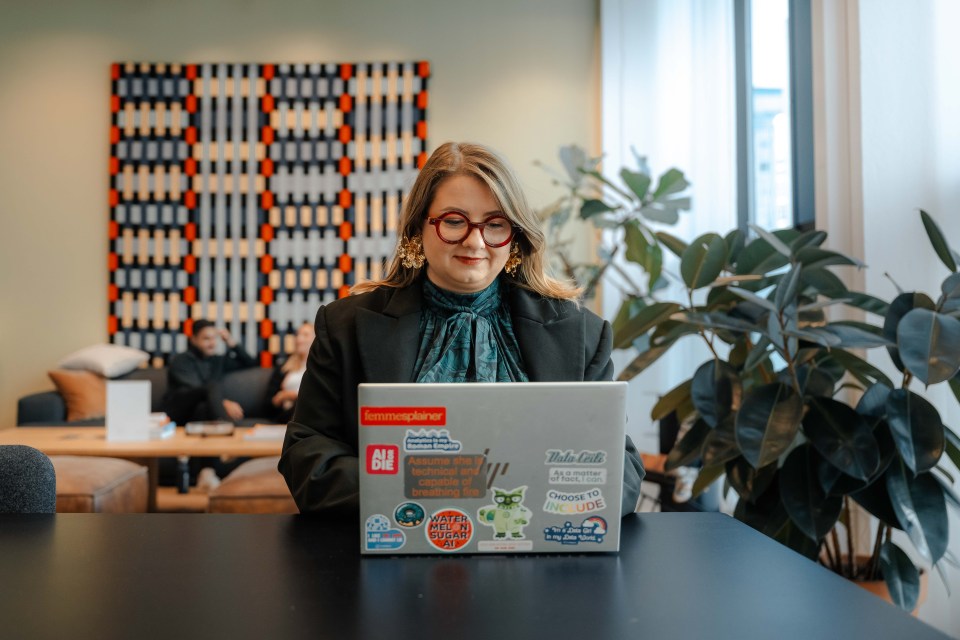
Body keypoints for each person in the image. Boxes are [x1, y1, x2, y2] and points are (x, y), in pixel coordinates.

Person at [279, 141, 645, 516]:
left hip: (537, 556)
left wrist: (541, 496)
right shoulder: (345, 326)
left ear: (514, 237)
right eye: (454, 221)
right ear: (419, 228)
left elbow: (624, 471)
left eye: (495, 224)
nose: (475, 241)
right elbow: (307, 456)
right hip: (394, 552)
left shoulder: (581, 334)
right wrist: (420, 489)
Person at [162, 319, 257, 426]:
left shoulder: (218, 360)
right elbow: (196, 389)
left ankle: (224, 431)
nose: (212, 343)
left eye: (214, 338)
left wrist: (231, 342)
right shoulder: (181, 360)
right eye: (207, 339)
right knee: (211, 387)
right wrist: (222, 403)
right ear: (193, 339)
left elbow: (250, 363)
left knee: (204, 408)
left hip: (203, 411)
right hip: (180, 410)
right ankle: (226, 427)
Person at [266, 322, 316, 423]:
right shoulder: (284, 367)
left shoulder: (321, 366)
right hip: (287, 415)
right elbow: (268, 403)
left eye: (305, 335)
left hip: (312, 413)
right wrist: (280, 397)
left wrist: (292, 395)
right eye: (297, 335)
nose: (299, 339)